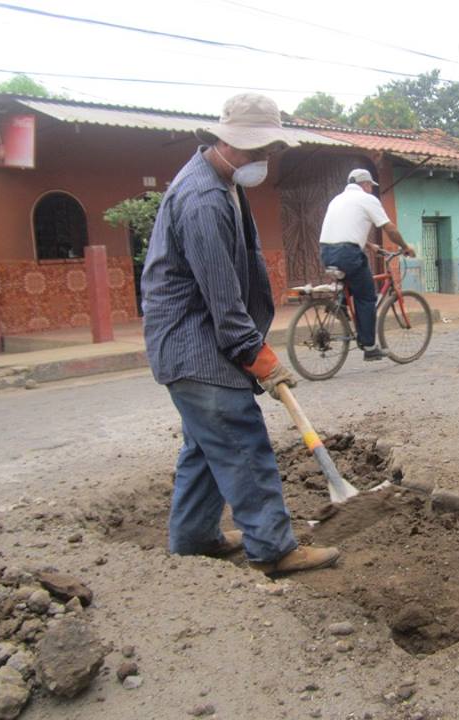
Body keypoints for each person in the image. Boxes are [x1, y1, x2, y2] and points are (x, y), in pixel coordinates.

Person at [140, 93, 340, 576]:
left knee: (206, 449)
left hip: (197, 343)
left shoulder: (222, 179)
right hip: (196, 347)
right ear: (223, 140)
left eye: (267, 151)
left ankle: (192, 540)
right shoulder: (203, 199)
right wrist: (258, 356)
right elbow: (222, 300)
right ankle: (273, 548)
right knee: (242, 440)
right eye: (254, 151)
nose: (262, 161)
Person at [319, 169, 416, 361]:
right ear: (365, 184)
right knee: (367, 296)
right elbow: (389, 228)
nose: (371, 189)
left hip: (326, 252)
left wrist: (371, 246)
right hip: (348, 254)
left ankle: (340, 304)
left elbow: (346, 230)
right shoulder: (367, 199)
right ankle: (370, 347)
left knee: (352, 280)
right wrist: (404, 247)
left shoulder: (337, 199)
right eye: (371, 185)